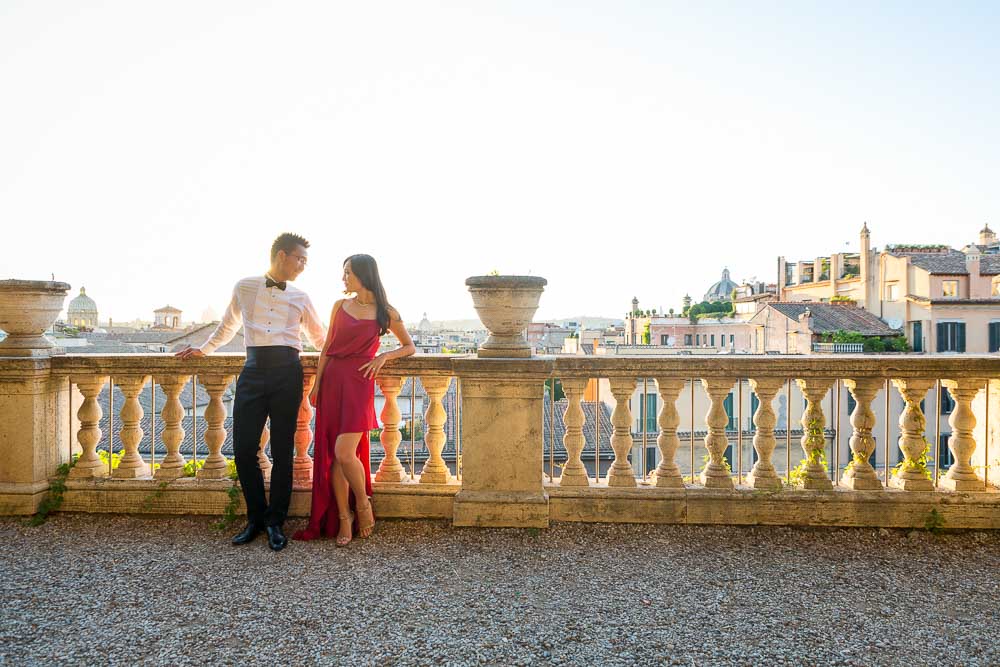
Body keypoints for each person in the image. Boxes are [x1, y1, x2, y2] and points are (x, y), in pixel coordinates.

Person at [176, 233, 326, 551]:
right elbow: (227, 325)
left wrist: (343, 361)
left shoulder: (301, 296)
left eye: (305, 261)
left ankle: (275, 522)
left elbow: (319, 338)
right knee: (244, 449)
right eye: (300, 259)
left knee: (284, 451)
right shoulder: (244, 286)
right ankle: (255, 518)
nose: (303, 266)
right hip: (253, 371)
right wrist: (204, 349)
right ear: (282, 255)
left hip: (288, 371)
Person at [294, 254, 415, 546]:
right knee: (336, 455)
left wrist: (384, 356)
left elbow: (408, 346)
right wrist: (317, 385)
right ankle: (345, 517)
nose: (344, 278)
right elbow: (327, 349)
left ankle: (362, 503)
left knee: (344, 451)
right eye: (343, 272)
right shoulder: (340, 306)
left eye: (348, 272)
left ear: (363, 274)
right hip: (333, 381)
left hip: (359, 383)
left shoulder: (386, 311)